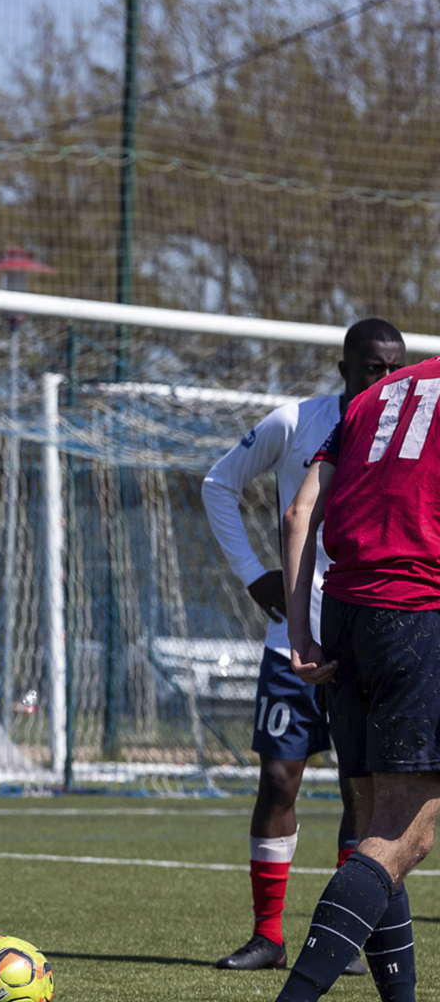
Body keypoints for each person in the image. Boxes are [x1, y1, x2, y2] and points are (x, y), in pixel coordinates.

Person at [202, 318, 405, 972]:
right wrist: (255, 575)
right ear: (345, 368)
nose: (386, 378)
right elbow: (218, 484)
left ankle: (347, 939)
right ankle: (268, 934)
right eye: (373, 366)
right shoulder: (297, 422)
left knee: (361, 792)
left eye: (395, 367)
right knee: (279, 780)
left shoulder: (407, 436)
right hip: (290, 640)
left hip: (365, 634)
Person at [270, 345, 440, 1002]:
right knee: (406, 832)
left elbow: (296, 514)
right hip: (417, 611)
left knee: (374, 819)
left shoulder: (374, 397)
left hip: (343, 613)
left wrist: (300, 632)